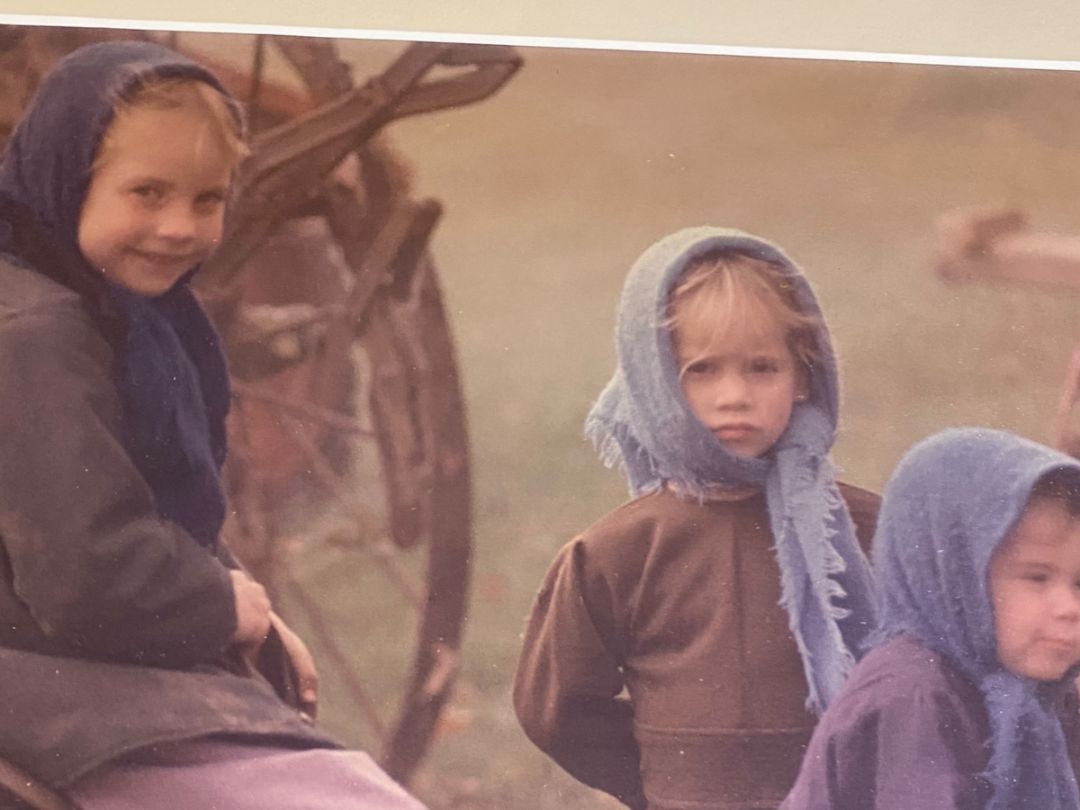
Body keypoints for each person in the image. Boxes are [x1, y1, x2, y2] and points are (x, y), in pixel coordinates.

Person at [0, 40, 425, 809]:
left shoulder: (116, 315)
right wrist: (225, 608)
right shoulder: (37, 336)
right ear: (69, 180)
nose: (179, 228)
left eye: (207, 200)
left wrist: (236, 600)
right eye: (146, 193)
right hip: (42, 682)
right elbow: (85, 576)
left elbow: (137, 516)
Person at [513, 226, 880, 810]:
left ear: (804, 375)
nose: (734, 395)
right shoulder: (619, 551)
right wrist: (663, 778)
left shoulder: (865, 530)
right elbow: (555, 709)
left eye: (762, 368)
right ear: (656, 381)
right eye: (702, 370)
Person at [782, 427, 1080, 810]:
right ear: (953, 574)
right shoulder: (915, 694)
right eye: (1036, 578)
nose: (1069, 607)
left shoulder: (1039, 693)